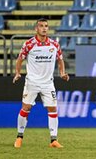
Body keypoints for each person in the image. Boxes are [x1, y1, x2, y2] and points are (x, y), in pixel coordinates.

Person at [13, 18, 69, 148]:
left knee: (53, 109)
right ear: (36, 29)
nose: (44, 28)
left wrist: (62, 73)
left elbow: (60, 60)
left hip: (48, 83)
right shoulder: (29, 44)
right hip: (32, 82)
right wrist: (17, 73)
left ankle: (53, 140)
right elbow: (20, 59)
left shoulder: (54, 45)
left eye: (46, 26)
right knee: (26, 108)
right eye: (41, 26)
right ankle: (19, 137)